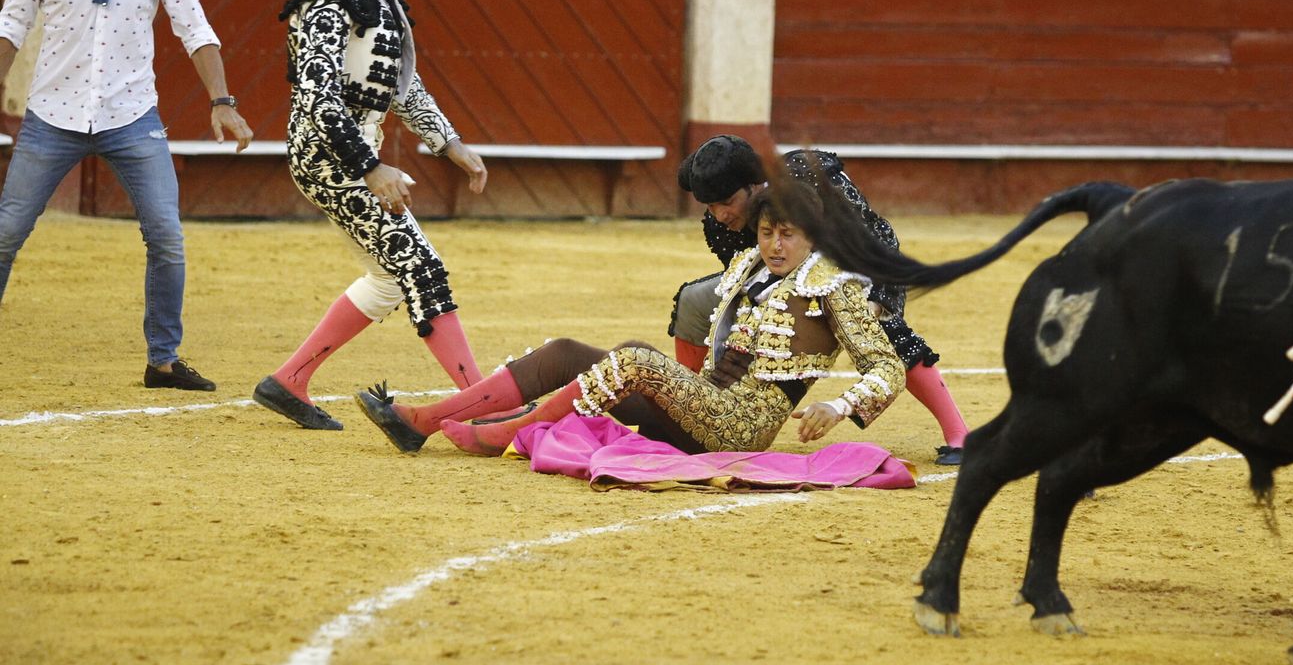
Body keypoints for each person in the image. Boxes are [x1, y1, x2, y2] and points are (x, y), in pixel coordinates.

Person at [355, 178, 905, 458]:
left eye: (788, 234)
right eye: (767, 233)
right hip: (702, 404)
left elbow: (888, 367)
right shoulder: (749, 266)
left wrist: (838, 405)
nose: (775, 245)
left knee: (636, 358)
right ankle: (422, 422)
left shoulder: (835, 286)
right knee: (570, 352)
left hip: (740, 428)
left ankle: (504, 436)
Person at [0, 0, 254, 391]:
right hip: (54, 113)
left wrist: (222, 100)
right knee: (7, 231)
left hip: (131, 115)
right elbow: (12, 25)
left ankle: (163, 361)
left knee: (166, 237)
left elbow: (194, 27)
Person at [254, 0, 489, 431]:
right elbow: (318, 98)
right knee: (420, 266)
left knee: (389, 279)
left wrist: (449, 143)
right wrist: (369, 167)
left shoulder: (385, 2)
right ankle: (481, 399)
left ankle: (289, 381)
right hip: (328, 155)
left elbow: (403, 88)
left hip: (353, 154)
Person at [671, 135, 970, 464]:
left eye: (727, 201)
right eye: (710, 206)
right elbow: (742, 279)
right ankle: (695, 407)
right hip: (781, 281)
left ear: (752, 185)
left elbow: (879, 237)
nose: (719, 214)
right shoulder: (719, 223)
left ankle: (958, 434)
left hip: (849, 270)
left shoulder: (809, 176)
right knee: (694, 300)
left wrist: (878, 299)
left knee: (885, 327)